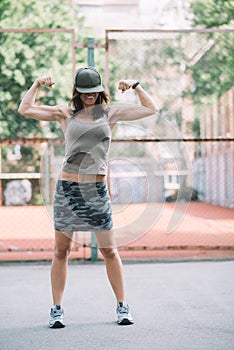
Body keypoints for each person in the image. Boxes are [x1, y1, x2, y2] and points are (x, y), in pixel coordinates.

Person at [18, 66, 158, 328]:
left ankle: (122, 306)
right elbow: (25, 109)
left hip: (96, 191)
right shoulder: (65, 113)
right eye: (84, 92)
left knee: (109, 250)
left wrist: (136, 85)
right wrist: (36, 84)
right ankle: (57, 309)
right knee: (61, 251)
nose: (89, 96)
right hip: (68, 190)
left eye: (93, 91)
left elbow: (151, 109)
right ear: (77, 92)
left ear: (100, 90)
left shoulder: (110, 112)